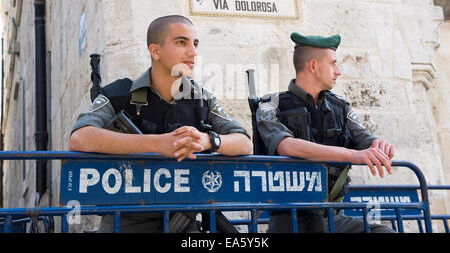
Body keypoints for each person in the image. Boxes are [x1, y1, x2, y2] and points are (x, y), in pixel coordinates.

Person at [69, 15, 253, 232]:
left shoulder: (201, 98)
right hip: (126, 219)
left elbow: (244, 143)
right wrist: (157, 144)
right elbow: (80, 138)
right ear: (155, 51)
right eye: (181, 42)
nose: (193, 52)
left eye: (195, 44)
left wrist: (207, 140)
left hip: (183, 219)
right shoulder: (120, 94)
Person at [255, 32, 395, 233]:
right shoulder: (270, 105)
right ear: (313, 66)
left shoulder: (340, 107)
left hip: (333, 217)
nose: (338, 71)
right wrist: (352, 155)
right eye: (333, 63)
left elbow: (366, 140)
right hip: (290, 220)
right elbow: (286, 145)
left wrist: (380, 146)